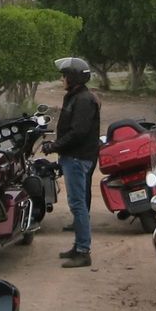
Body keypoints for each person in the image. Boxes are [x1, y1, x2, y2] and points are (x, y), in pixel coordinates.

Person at [50, 57, 100, 269]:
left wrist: (55, 146)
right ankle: (78, 245)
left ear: (73, 77)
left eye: (64, 75)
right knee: (76, 203)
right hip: (74, 156)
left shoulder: (83, 100)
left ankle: (83, 251)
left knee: (78, 205)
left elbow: (78, 132)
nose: (62, 79)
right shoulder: (75, 97)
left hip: (78, 158)